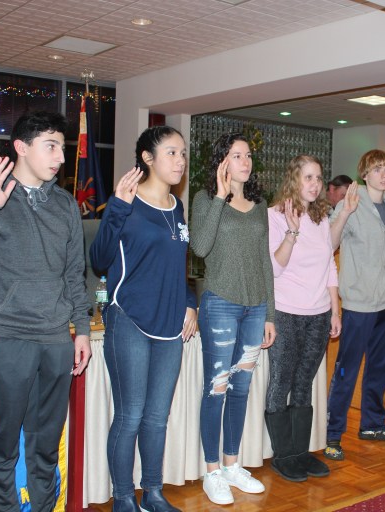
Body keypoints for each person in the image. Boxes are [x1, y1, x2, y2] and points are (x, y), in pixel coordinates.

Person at [0, 111, 92, 511]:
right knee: (3, 450)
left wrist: (81, 329)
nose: (61, 156)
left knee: (45, 450)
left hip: (55, 341)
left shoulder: (64, 204)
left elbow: (74, 274)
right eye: (51, 146)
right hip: (7, 340)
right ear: (21, 148)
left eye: (62, 146)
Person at [90, 126, 198, 512]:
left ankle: (152, 492)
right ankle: (123, 496)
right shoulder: (128, 204)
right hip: (129, 318)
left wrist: (190, 302)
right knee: (131, 415)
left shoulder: (178, 207)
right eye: (171, 153)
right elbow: (98, 260)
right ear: (147, 159)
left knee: (157, 417)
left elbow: (178, 266)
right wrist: (116, 207)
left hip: (170, 324)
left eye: (183, 153)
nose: (180, 161)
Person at [190, 132, 276, 506]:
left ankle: (231, 464)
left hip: (255, 306)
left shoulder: (259, 204)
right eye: (236, 155)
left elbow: (264, 261)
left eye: (247, 155)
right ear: (222, 163)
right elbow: (200, 247)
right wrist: (222, 196)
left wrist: (270, 313)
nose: (245, 161)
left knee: (241, 390)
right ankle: (212, 472)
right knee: (218, 387)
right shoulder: (204, 199)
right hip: (220, 303)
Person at [324, 149, 385, 462]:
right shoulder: (350, 204)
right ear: (364, 174)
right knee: (347, 371)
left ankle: (373, 424)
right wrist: (344, 213)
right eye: (377, 170)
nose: (384, 175)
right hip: (359, 304)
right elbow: (329, 245)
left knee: (380, 368)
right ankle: (332, 435)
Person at [265, 155, 340, 482]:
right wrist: (292, 233)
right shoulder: (276, 216)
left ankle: (300, 452)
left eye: (318, 178)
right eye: (308, 177)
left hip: (319, 314)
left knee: (304, 384)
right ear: (294, 179)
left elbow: (330, 265)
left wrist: (336, 308)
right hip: (285, 312)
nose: (315, 184)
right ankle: (283, 455)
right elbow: (274, 268)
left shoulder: (322, 216)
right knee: (281, 382)